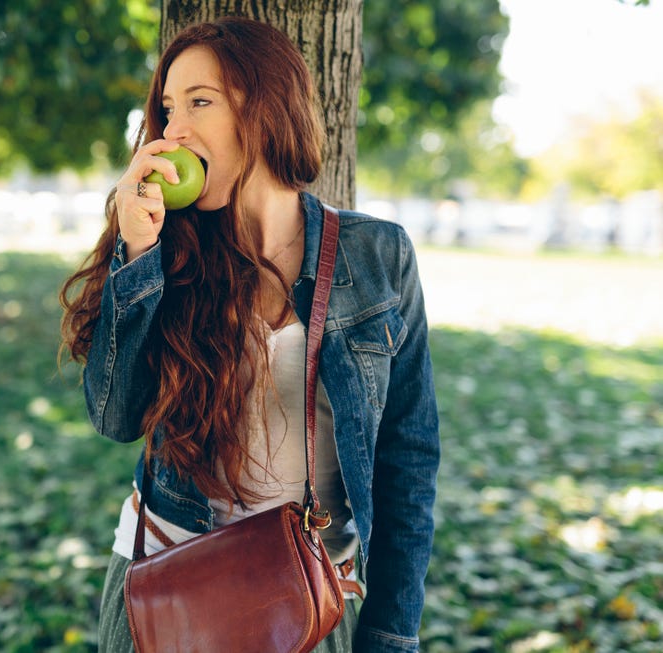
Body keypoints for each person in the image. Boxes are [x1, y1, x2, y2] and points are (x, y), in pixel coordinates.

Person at [60, 16, 439, 653]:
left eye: (199, 103)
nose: (172, 130)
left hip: (314, 600)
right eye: (167, 109)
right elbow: (115, 415)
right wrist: (137, 253)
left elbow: (408, 458)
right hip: (171, 588)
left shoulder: (379, 257)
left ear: (266, 110)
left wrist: (394, 633)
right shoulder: (164, 253)